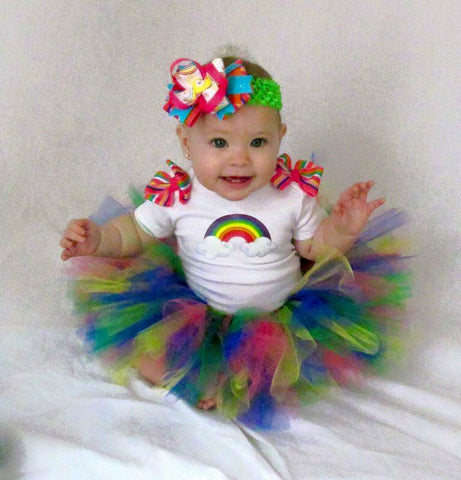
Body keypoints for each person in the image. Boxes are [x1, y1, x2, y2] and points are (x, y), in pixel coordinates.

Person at [60, 56, 410, 427]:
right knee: (152, 357)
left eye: (258, 142)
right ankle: (200, 377)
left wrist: (342, 229)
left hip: (275, 319)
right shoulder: (178, 195)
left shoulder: (291, 196)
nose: (240, 159)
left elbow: (316, 249)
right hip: (199, 314)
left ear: (280, 137)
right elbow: (134, 232)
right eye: (219, 142)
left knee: (278, 370)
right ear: (186, 143)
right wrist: (99, 238)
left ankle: (237, 382)